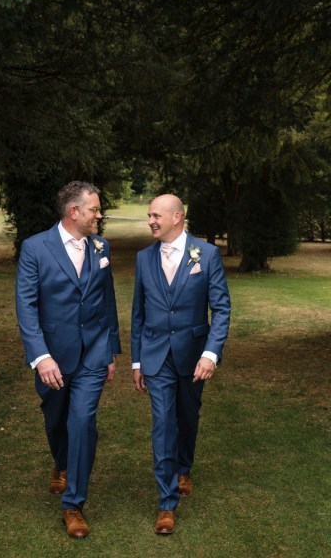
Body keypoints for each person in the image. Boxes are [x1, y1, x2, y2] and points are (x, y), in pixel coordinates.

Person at [16, 181, 121, 539]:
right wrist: (40, 356)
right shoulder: (34, 248)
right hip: (53, 356)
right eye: (94, 209)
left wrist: (110, 350)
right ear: (73, 212)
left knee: (82, 421)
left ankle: (73, 505)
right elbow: (26, 307)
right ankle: (61, 462)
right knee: (56, 419)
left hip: (93, 352)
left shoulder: (101, 246)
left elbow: (107, 301)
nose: (99, 214)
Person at [131, 194, 231, 534]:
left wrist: (210, 353)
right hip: (156, 356)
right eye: (149, 215)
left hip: (193, 356)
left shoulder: (208, 254)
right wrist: (136, 360)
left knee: (187, 417)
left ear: (178, 217)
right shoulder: (144, 258)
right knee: (163, 424)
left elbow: (222, 309)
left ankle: (184, 465)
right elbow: (138, 313)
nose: (151, 221)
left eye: (156, 215)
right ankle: (166, 504)